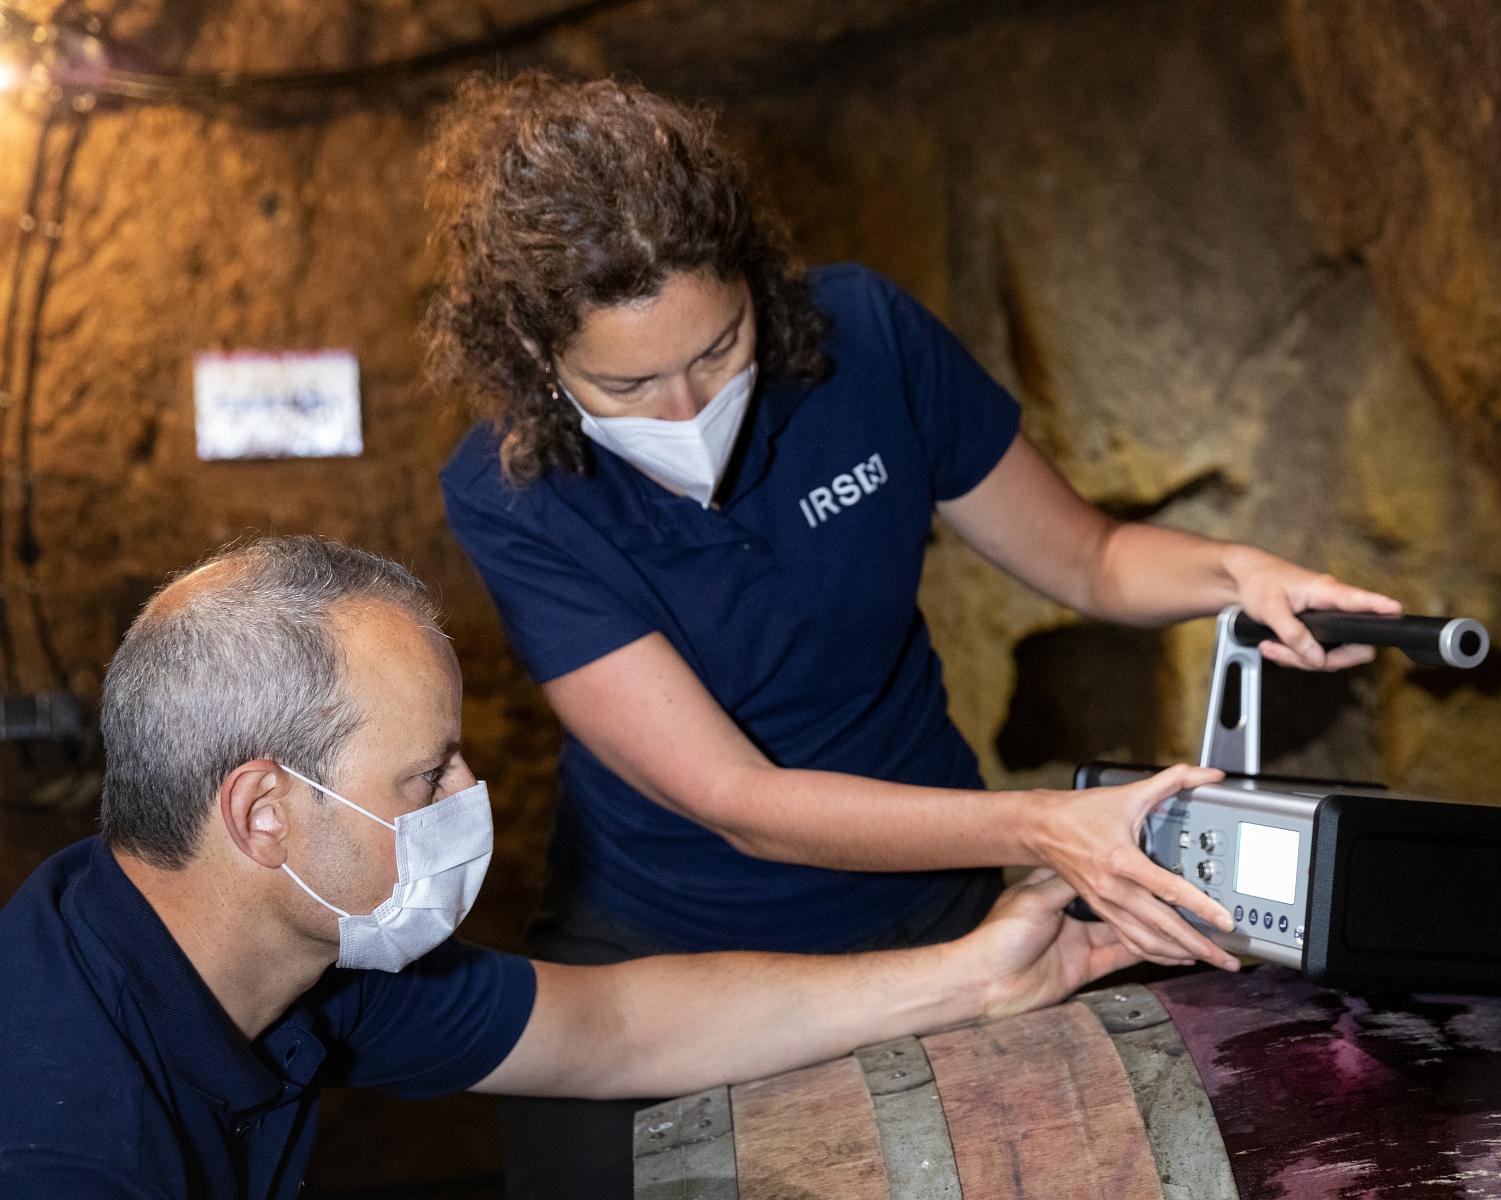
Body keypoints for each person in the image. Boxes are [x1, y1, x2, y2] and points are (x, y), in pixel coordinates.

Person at [427, 72, 1401, 1192]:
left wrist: (1239, 573)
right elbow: (737, 803)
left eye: (719, 347)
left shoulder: (866, 342)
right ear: (534, 358)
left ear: (756, 280)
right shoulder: (513, 491)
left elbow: (1086, 556)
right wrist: (1043, 827)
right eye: (630, 382)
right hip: (671, 936)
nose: (689, 411)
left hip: (935, 891)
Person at [0, 536, 1151, 1199]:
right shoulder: (64, 1138)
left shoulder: (268, 953)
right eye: (426, 774)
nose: (469, 804)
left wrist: (978, 977)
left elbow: (616, 1027)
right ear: (263, 813)